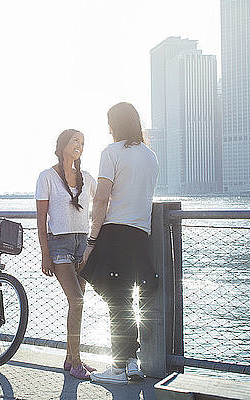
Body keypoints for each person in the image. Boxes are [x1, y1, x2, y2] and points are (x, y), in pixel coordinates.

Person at [79, 102, 159, 384]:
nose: (108, 128)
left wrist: (91, 241)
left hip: (114, 233)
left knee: (116, 300)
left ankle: (117, 369)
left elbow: (101, 199)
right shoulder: (151, 157)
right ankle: (131, 362)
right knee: (125, 299)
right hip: (140, 235)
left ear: (116, 124)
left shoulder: (111, 152)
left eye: (109, 123)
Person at [35, 129, 98, 380]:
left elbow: (104, 202)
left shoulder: (87, 178)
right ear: (62, 144)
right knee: (77, 301)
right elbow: (41, 220)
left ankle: (70, 358)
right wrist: (44, 254)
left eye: (82, 142)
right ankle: (77, 362)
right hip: (59, 245)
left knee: (78, 303)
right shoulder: (47, 177)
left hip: (82, 245)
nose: (79, 145)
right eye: (75, 140)